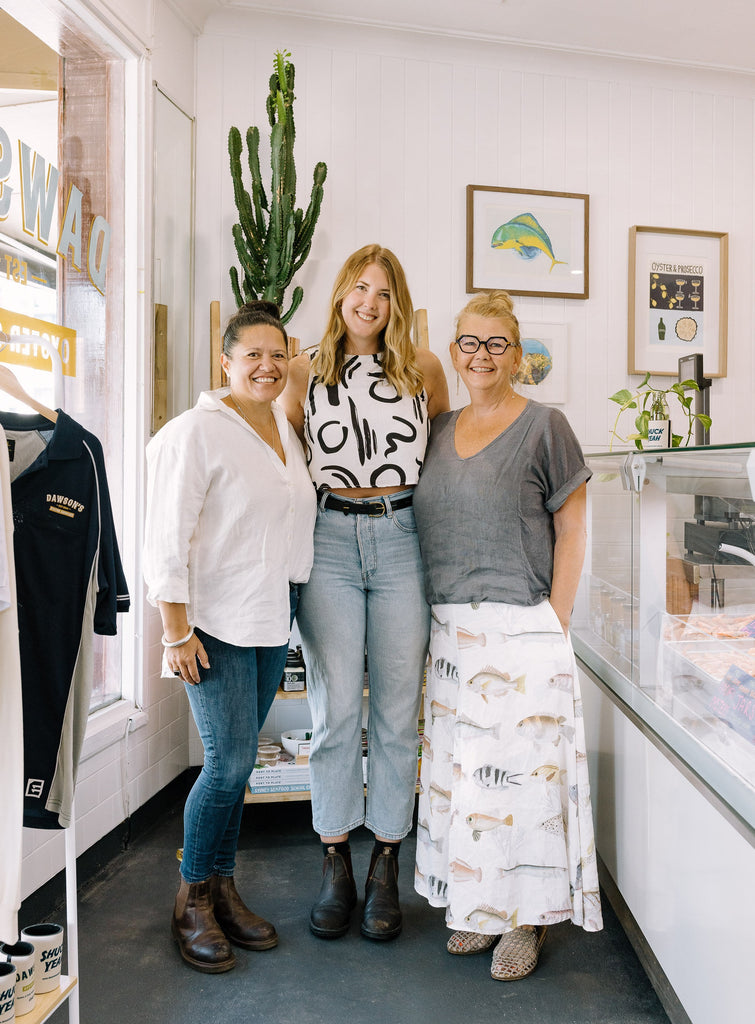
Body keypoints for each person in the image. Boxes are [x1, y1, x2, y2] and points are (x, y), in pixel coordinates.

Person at [412, 290, 603, 981]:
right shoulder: (437, 427)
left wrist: (556, 616)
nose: (481, 356)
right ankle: (478, 906)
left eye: (496, 344)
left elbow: (574, 524)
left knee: (522, 789)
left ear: (516, 355)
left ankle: (525, 921)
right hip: (450, 631)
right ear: (454, 350)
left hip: (520, 627)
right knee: (467, 787)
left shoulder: (545, 425)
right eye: (469, 342)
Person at [281, 243, 449, 941]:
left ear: (396, 303)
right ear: (341, 295)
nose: (368, 303)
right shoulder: (302, 370)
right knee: (335, 708)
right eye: (359, 288)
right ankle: (333, 860)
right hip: (330, 541)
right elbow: (286, 466)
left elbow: (444, 462)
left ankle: (384, 861)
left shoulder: (424, 369)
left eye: (382, 292)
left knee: (396, 716)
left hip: (402, 537)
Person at [143, 301, 316, 973]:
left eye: (278, 355)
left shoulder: (280, 425)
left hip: (271, 616)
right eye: (252, 355)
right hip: (209, 625)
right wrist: (175, 632)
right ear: (225, 361)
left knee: (238, 763)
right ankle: (190, 899)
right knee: (227, 764)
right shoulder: (196, 432)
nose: (267, 367)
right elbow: (167, 540)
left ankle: (220, 886)